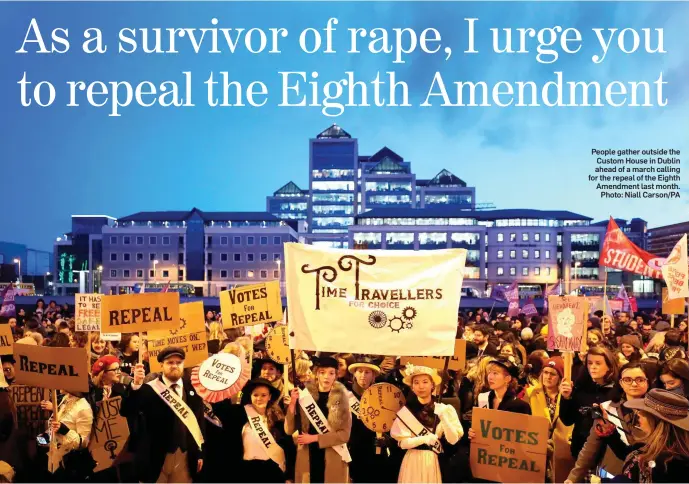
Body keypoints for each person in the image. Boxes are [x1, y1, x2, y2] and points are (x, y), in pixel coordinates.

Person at [121, 346, 205, 483]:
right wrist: (135, 385)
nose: (174, 366)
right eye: (170, 362)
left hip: (184, 455)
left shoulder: (193, 389)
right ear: (161, 365)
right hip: (154, 457)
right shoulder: (149, 389)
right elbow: (126, 410)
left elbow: (199, 423)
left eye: (178, 362)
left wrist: (200, 452)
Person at [566, 361, 652, 483]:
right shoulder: (607, 408)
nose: (634, 384)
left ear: (648, 382)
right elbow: (591, 447)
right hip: (612, 476)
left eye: (639, 379)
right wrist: (573, 478)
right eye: (627, 379)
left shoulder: (656, 411)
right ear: (621, 383)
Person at [391, 364, 463, 483]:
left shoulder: (445, 409)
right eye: (416, 382)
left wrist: (444, 417)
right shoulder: (406, 412)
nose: (421, 386)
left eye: (425, 382)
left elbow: (453, 440)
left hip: (434, 460)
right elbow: (403, 444)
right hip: (412, 461)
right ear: (412, 387)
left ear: (432, 385)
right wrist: (425, 439)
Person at [286, 355, 352, 483]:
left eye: (331, 373)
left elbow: (344, 435)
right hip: (308, 456)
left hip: (333, 457)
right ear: (316, 374)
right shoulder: (304, 397)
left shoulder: (342, 399)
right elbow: (289, 430)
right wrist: (293, 403)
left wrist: (314, 438)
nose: (326, 377)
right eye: (322, 373)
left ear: (336, 375)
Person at [600, 389, 689, 482]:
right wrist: (610, 432)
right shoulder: (649, 445)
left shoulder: (677, 465)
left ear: (656, 420)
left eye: (643, 411)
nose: (638, 414)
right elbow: (629, 455)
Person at [211, 378, 289, 483]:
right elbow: (220, 409)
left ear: (270, 396)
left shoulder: (277, 418)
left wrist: (288, 476)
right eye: (255, 395)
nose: (259, 398)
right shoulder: (239, 413)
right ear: (250, 396)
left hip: (271, 470)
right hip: (246, 470)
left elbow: (286, 446)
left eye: (263, 395)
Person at [559, 345, 619, 458]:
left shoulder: (618, 391)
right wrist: (566, 398)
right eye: (590, 363)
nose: (593, 367)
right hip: (581, 451)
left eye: (598, 363)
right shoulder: (580, 388)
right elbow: (567, 420)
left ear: (609, 366)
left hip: (609, 453)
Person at [347, 356, 399, 483]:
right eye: (359, 371)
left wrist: (387, 439)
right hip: (353, 453)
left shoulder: (382, 397)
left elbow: (390, 423)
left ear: (374, 376)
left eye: (367, 372)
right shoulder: (345, 396)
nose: (363, 375)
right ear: (354, 374)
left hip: (376, 453)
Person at [524, 357, 573, 483]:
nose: (548, 377)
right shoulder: (530, 393)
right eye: (545, 372)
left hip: (562, 451)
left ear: (561, 377)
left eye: (553, 374)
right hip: (537, 448)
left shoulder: (568, 395)